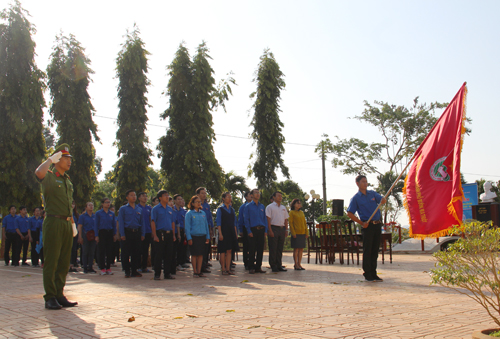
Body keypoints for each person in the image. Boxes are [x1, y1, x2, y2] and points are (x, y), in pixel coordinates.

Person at [35, 143, 78, 309]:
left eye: (70, 158)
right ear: (58, 159)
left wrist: (73, 223)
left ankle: (59, 294)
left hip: (67, 222)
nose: (69, 161)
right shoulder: (50, 176)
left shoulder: (68, 181)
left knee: (64, 262)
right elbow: (38, 173)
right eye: (66, 158)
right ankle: (50, 297)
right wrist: (49, 160)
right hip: (53, 222)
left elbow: (68, 204)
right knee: (52, 261)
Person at [347, 175, 386, 282]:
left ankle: (374, 273)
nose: (365, 183)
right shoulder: (356, 198)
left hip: (377, 225)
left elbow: (381, 200)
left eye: (366, 181)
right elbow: (350, 213)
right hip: (367, 226)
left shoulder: (372, 194)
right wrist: (361, 223)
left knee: (375, 250)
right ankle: (367, 273)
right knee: (368, 250)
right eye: (363, 181)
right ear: (357, 183)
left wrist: (383, 200)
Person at [118, 189, 146, 278]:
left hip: (137, 232)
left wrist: (143, 234)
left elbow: (142, 222)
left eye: (134, 195)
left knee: (136, 252)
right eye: (131, 195)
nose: (134, 197)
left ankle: (134, 270)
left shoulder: (139, 209)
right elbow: (121, 222)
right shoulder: (123, 209)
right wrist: (122, 234)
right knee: (126, 252)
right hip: (127, 232)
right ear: (127, 197)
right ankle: (127, 271)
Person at [151, 190, 176, 280]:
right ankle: (157, 274)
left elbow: (172, 222)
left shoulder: (170, 209)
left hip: (169, 233)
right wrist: (154, 235)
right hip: (160, 233)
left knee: (168, 254)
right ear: (160, 198)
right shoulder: (156, 209)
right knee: (159, 254)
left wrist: (173, 235)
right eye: (165, 195)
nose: (167, 197)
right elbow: (153, 222)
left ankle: (167, 273)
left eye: (168, 195)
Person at [185, 196, 210, 277]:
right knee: (194, 254)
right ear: (192, 203)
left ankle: (199, 271)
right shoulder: (189, 213)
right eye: (197, 201)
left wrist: (207, 236)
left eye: (199, 201)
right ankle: (195, 271)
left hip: (202, 236)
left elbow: (206, 225)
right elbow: (187, 227)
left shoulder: (203, 213)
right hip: (194, 236)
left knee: (200, 254)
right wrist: (189, 238)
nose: (199, 203)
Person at [244, 189, 267, 274]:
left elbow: (264, 218)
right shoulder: (248, 206)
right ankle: (251, 266)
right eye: (255, 193)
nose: (258, 194)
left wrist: (266, 230)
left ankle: (258, 267)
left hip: (261, 229)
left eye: (258, 193)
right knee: (252, 249)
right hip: (253, 230)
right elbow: (246, 220)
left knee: (260, 249)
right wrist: (249, 231)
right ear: (252, 195)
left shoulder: (262, 206)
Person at [216, 192, 238, 275]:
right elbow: (218, 222)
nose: (229, 198)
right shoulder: (220, 209)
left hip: (231, 232)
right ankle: (223, 269)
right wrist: (220, 234)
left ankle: (228, 269)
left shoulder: (232, 209)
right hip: (224, 231)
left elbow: (234, 223)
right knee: (223, 251)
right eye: (228, 197)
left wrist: (236, 234)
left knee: (229, 250)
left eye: (230, 197)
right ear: (223, 198)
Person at [266, 192, 289, 273]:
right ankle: (273, 265)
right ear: (274, 197)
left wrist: (286, 229)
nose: (280, 197)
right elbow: (268, 219)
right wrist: (270, 230)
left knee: (280, 248)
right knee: (273, 248)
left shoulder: (283, 208)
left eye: (281, 196)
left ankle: (279, 265)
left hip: (281, 229)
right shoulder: (270, 207)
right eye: (278, 196)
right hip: (273, 228)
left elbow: (286, 219)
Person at [95, 197, 116, 275]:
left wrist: (114, 234)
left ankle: (108, 268)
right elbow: (96, 224)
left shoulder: (112, 213)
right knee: (102, 250)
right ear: (102, 204)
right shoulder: (98, 213)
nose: (108, 204)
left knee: (109, 250)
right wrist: (96, 235)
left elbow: (114, 224)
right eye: (106, 202)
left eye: (109, 202)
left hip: (109, 232)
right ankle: (102, 268)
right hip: (102, 232)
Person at [196, 187, 213, 273]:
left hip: (206, 229)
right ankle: (198, 267)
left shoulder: (206, 205)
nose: (204, 195)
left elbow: (209, 218)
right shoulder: (195, 204)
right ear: (198, 195)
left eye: (205, 193)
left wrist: (211, 229)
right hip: (198, 230)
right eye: (202, 193)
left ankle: (205, 264)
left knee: (206, 248)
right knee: (199, 249)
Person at [288, 199, 308, 270]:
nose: (299, 204)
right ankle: (295, 264)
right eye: (297, 203)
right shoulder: (291, 213)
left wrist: (306, 232)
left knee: (301, 249)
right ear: (293, 204)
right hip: (296, 233)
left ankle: (299, 263)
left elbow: (305, 223)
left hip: (302, 233)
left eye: (300, 203)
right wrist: (293, 233)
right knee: (296, 249)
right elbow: (291, 223)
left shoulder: (302, 212)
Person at [78, 202, 97, 274]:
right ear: (86, 207)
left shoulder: (95, 216)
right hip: (85, 235)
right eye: (89, 205)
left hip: (93, 235)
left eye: (92, 205)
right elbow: (80, 226)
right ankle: (85, 267)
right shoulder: (82, 216)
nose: (91, 207)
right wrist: (80, 236)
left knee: (92, 252)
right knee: (85, 251)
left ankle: (90, 267)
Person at [137, 192, 153, 274]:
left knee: (146, 250)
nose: (145, 197)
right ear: (139, 198)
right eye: (142, 196)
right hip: (139, 232)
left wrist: (152, 231)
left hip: (148, 231)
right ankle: (138, 266)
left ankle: (144, 267)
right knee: (138, 249)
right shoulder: (137, 207)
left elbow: (151, 220)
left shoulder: (149, 208)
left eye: (146, 196)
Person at [173, 195, 189, 270]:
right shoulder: (173, 209)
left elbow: (185, 222)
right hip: (175, 231)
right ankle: (175, 264)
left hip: (182, 231)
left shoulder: (183, 211)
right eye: (178, 199)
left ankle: (181, 262)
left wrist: (185, 231)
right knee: (175, 248)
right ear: (174, 201)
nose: (180, 201)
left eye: (181, 199)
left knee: (182, 248)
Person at [238, 192, 252, 270]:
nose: (251, 196)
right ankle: (246, 262)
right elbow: (240, 218)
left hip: (253, 227)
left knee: (252, 246)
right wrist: (241, 229)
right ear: (246, 197)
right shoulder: (243, 207)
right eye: (250, 195)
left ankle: (252, 261)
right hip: (245, 227)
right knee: (246, 246)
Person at [69, 201, 80, 272]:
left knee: (74, 249)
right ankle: (68, 265)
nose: (72, 205)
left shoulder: (76, 214)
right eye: (71, 204)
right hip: (67, 233)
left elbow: (78, 224)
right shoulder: (67, 213)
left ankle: (72, 264)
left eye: (73, 204)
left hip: (74, 233)